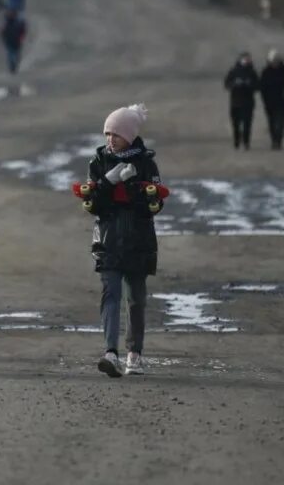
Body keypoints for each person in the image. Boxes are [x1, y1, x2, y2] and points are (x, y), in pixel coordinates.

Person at [78, 103, 164, 378]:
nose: (109, 140)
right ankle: (110, 353)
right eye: (107, 134)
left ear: (129, 135)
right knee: (110, 294)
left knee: (136, 299)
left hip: (139, 241)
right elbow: (92, 204)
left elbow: (155, 205)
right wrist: (108, 182)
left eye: (115, 134)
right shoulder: (98, 162)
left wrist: (133, 188)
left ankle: (134, 353)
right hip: (107, 239)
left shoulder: (146, 163)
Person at [260, 49, 284, 150]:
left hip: (282, 102)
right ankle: (274, 140)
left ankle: (278, 141)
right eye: (273, 61)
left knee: (280, 123)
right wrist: (265, 97)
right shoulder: (266, 72)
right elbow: (262, 86)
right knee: (271, 122)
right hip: (270, 102)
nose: (274, 63)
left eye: (276, 61)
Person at [223, 52, 259, 149]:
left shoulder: (252, 72)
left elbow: (257, 86)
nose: (246, 61)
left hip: (248, 103)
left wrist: (249, 84)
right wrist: (235, 84)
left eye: (248, 59)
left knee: (247, 124)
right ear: (240, 60)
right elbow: (227, 84)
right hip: (236, 102)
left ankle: (247, 142)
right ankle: (237, 140)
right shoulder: (234, 71)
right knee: (236, 124)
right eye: (244, 59)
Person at [0, 9, 27, 75]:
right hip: (12, 42)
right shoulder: (8, 24)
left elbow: (22, 30)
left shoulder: (16, 24)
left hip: (15, 42)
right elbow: (3, 33)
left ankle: (13, 66)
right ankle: (12, 67)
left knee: (14, 55)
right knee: (12, 55)